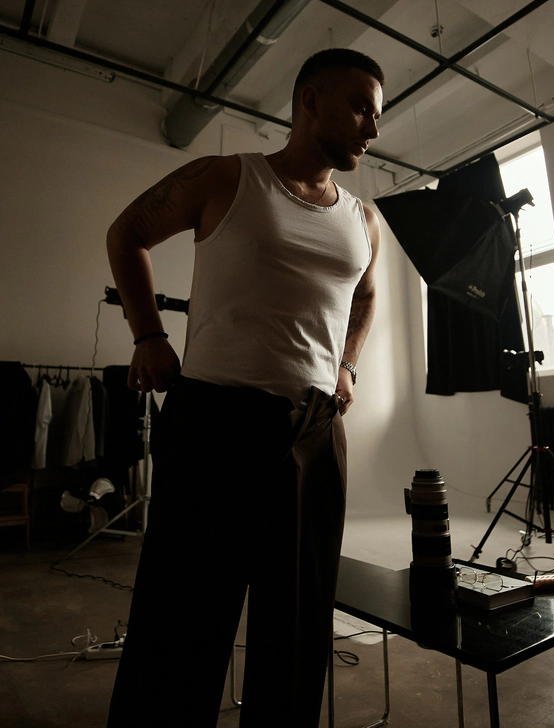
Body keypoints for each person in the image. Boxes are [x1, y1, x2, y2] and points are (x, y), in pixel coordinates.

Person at [106, 48, 384, 728]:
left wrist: (347, 365)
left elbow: (367, 295)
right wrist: (148, 336)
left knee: (297, 627)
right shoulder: (228, 176)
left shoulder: (365, 220)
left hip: (314, 432)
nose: (372, 129)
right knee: (182, 622)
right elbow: (128, 232)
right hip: (215, 422)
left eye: (377, 115)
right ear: (310, 100)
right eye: (359, 108)